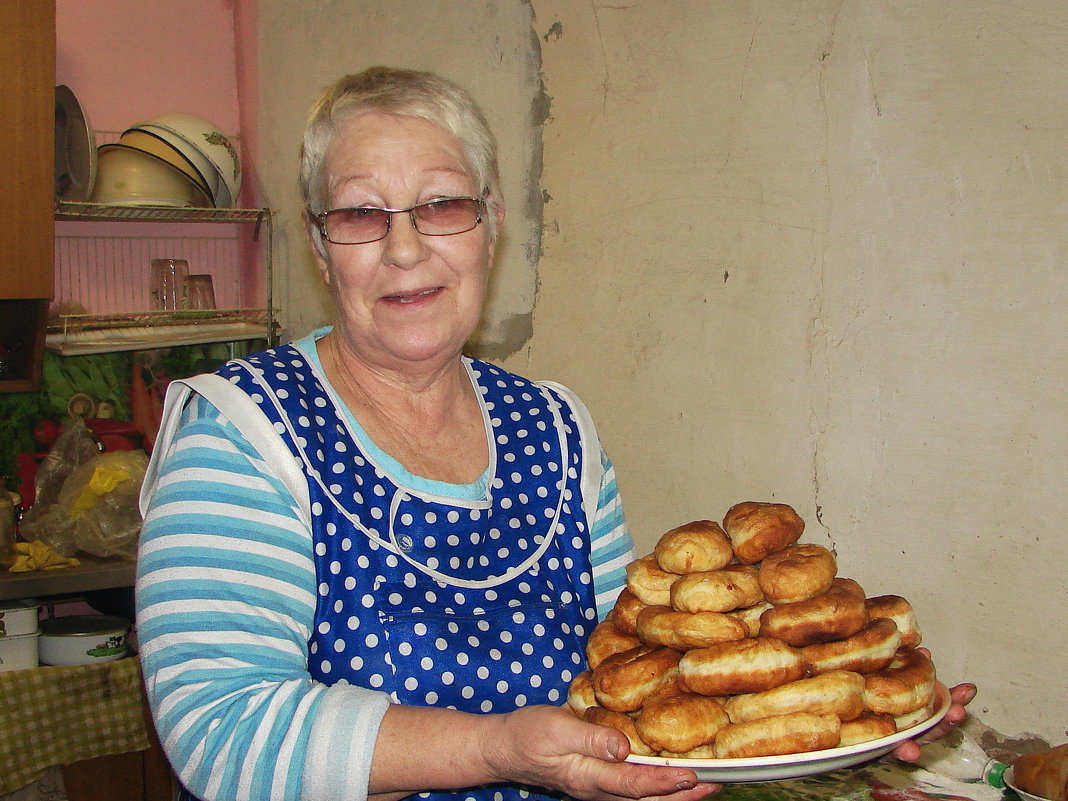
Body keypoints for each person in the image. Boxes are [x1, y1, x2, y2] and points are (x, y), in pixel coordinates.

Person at [135, 66, 973, 801]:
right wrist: (499, 748)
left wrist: (833, 717)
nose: (404, 247)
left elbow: (631, 680)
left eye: (441, 203)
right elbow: (222, 730)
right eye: (360, 214)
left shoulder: (556, 429)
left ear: (491, 223)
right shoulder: (246, 432)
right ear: (322, 251)